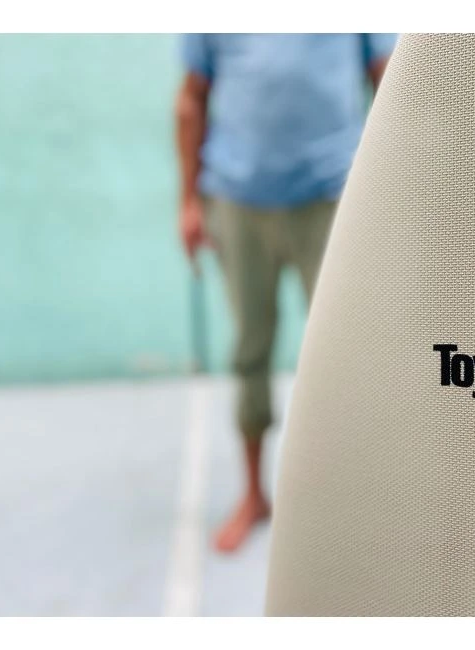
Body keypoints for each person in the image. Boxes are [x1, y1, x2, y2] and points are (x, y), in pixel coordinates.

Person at [175, 34, 396, 552]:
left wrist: (394, 190)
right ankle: (254, 495)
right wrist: (188, 201)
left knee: (344, 358)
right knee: (250, 350)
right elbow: (191, 100)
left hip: (331, 199)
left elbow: (391, 86)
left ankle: (350, 502)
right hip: (238, 202)